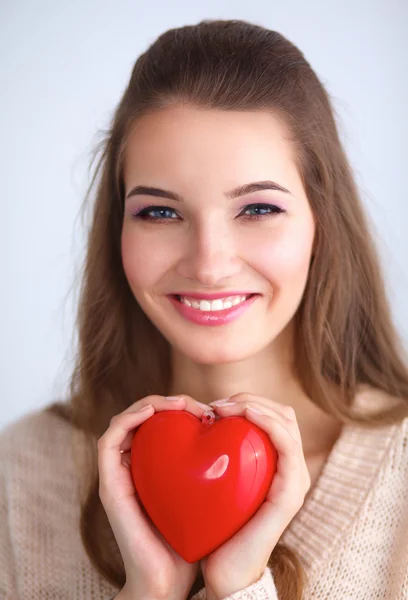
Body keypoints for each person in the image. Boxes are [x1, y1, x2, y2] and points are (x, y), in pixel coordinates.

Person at [1, 18, 407, 600]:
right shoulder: (20, 474)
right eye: (161, 213)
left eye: (259, 209)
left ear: (321, 223)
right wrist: (151, 592)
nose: (209, 264)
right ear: (118, 229)